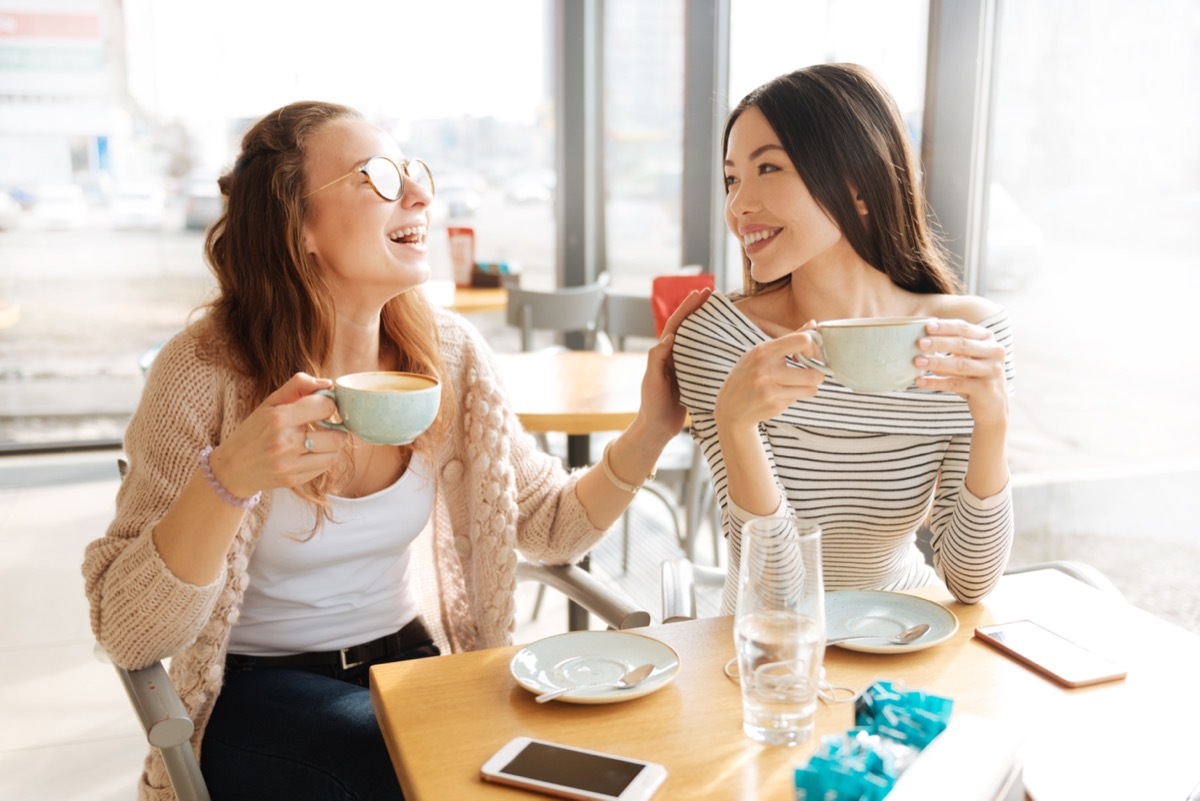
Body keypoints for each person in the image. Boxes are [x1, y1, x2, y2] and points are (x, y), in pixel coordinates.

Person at [83, 100, 709, 801]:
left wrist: (652, 428)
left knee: (569, 761)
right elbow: (127, 632)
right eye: (376, 176)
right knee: (413, 766)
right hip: (260, 692)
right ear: (300, 227)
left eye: (414, 172)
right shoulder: (203, 371)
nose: (419, 194)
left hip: (415, 667)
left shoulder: (449, 355)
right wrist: (228, 477)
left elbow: (547, 522)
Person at [672, 63, 1014, 613]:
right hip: (772, 652)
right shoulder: (719, 339)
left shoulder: (966, 339)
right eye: (733, 177)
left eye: (769, 168)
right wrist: (736, 423)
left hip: (908, 635)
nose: (738, 206)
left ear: (858, 188)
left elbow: (971, 582)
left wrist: (994, 422)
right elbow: (777, 595)